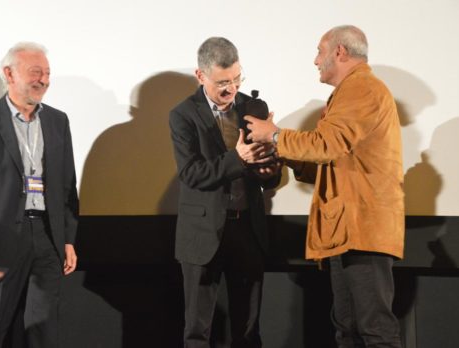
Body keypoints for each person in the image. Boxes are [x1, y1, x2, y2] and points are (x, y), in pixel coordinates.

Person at [245, 25, 404, 347]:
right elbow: (333, 160)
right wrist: (281, 153)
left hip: (363, 228)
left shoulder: (361, 88)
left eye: (320, 52)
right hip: (349, 230)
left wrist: (274, 135)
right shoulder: (352, 90)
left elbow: (327, 144)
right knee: (349, 329)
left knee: (373, 330)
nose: (316, 61)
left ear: (340, 52)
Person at [0, 42, 79, 348]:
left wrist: (68, 237)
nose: (44, 80)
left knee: (44, 329)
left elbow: (66, 185)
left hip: (47, 236)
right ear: (9, 73)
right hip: (1, 237)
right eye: (36, 72)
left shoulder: (57, 120)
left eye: (47, 73)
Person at [169, 37, 281, 347]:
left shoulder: (254, 107)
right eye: (222, 82)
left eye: (236, 79)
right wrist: (239, 158)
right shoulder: (183, 115)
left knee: (248, 328)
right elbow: (191, 174)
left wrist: (270, 172)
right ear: (200, 75)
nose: (230, 89)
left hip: (247, 228)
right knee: (197, 330)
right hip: (202, 231)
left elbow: (270, 176)